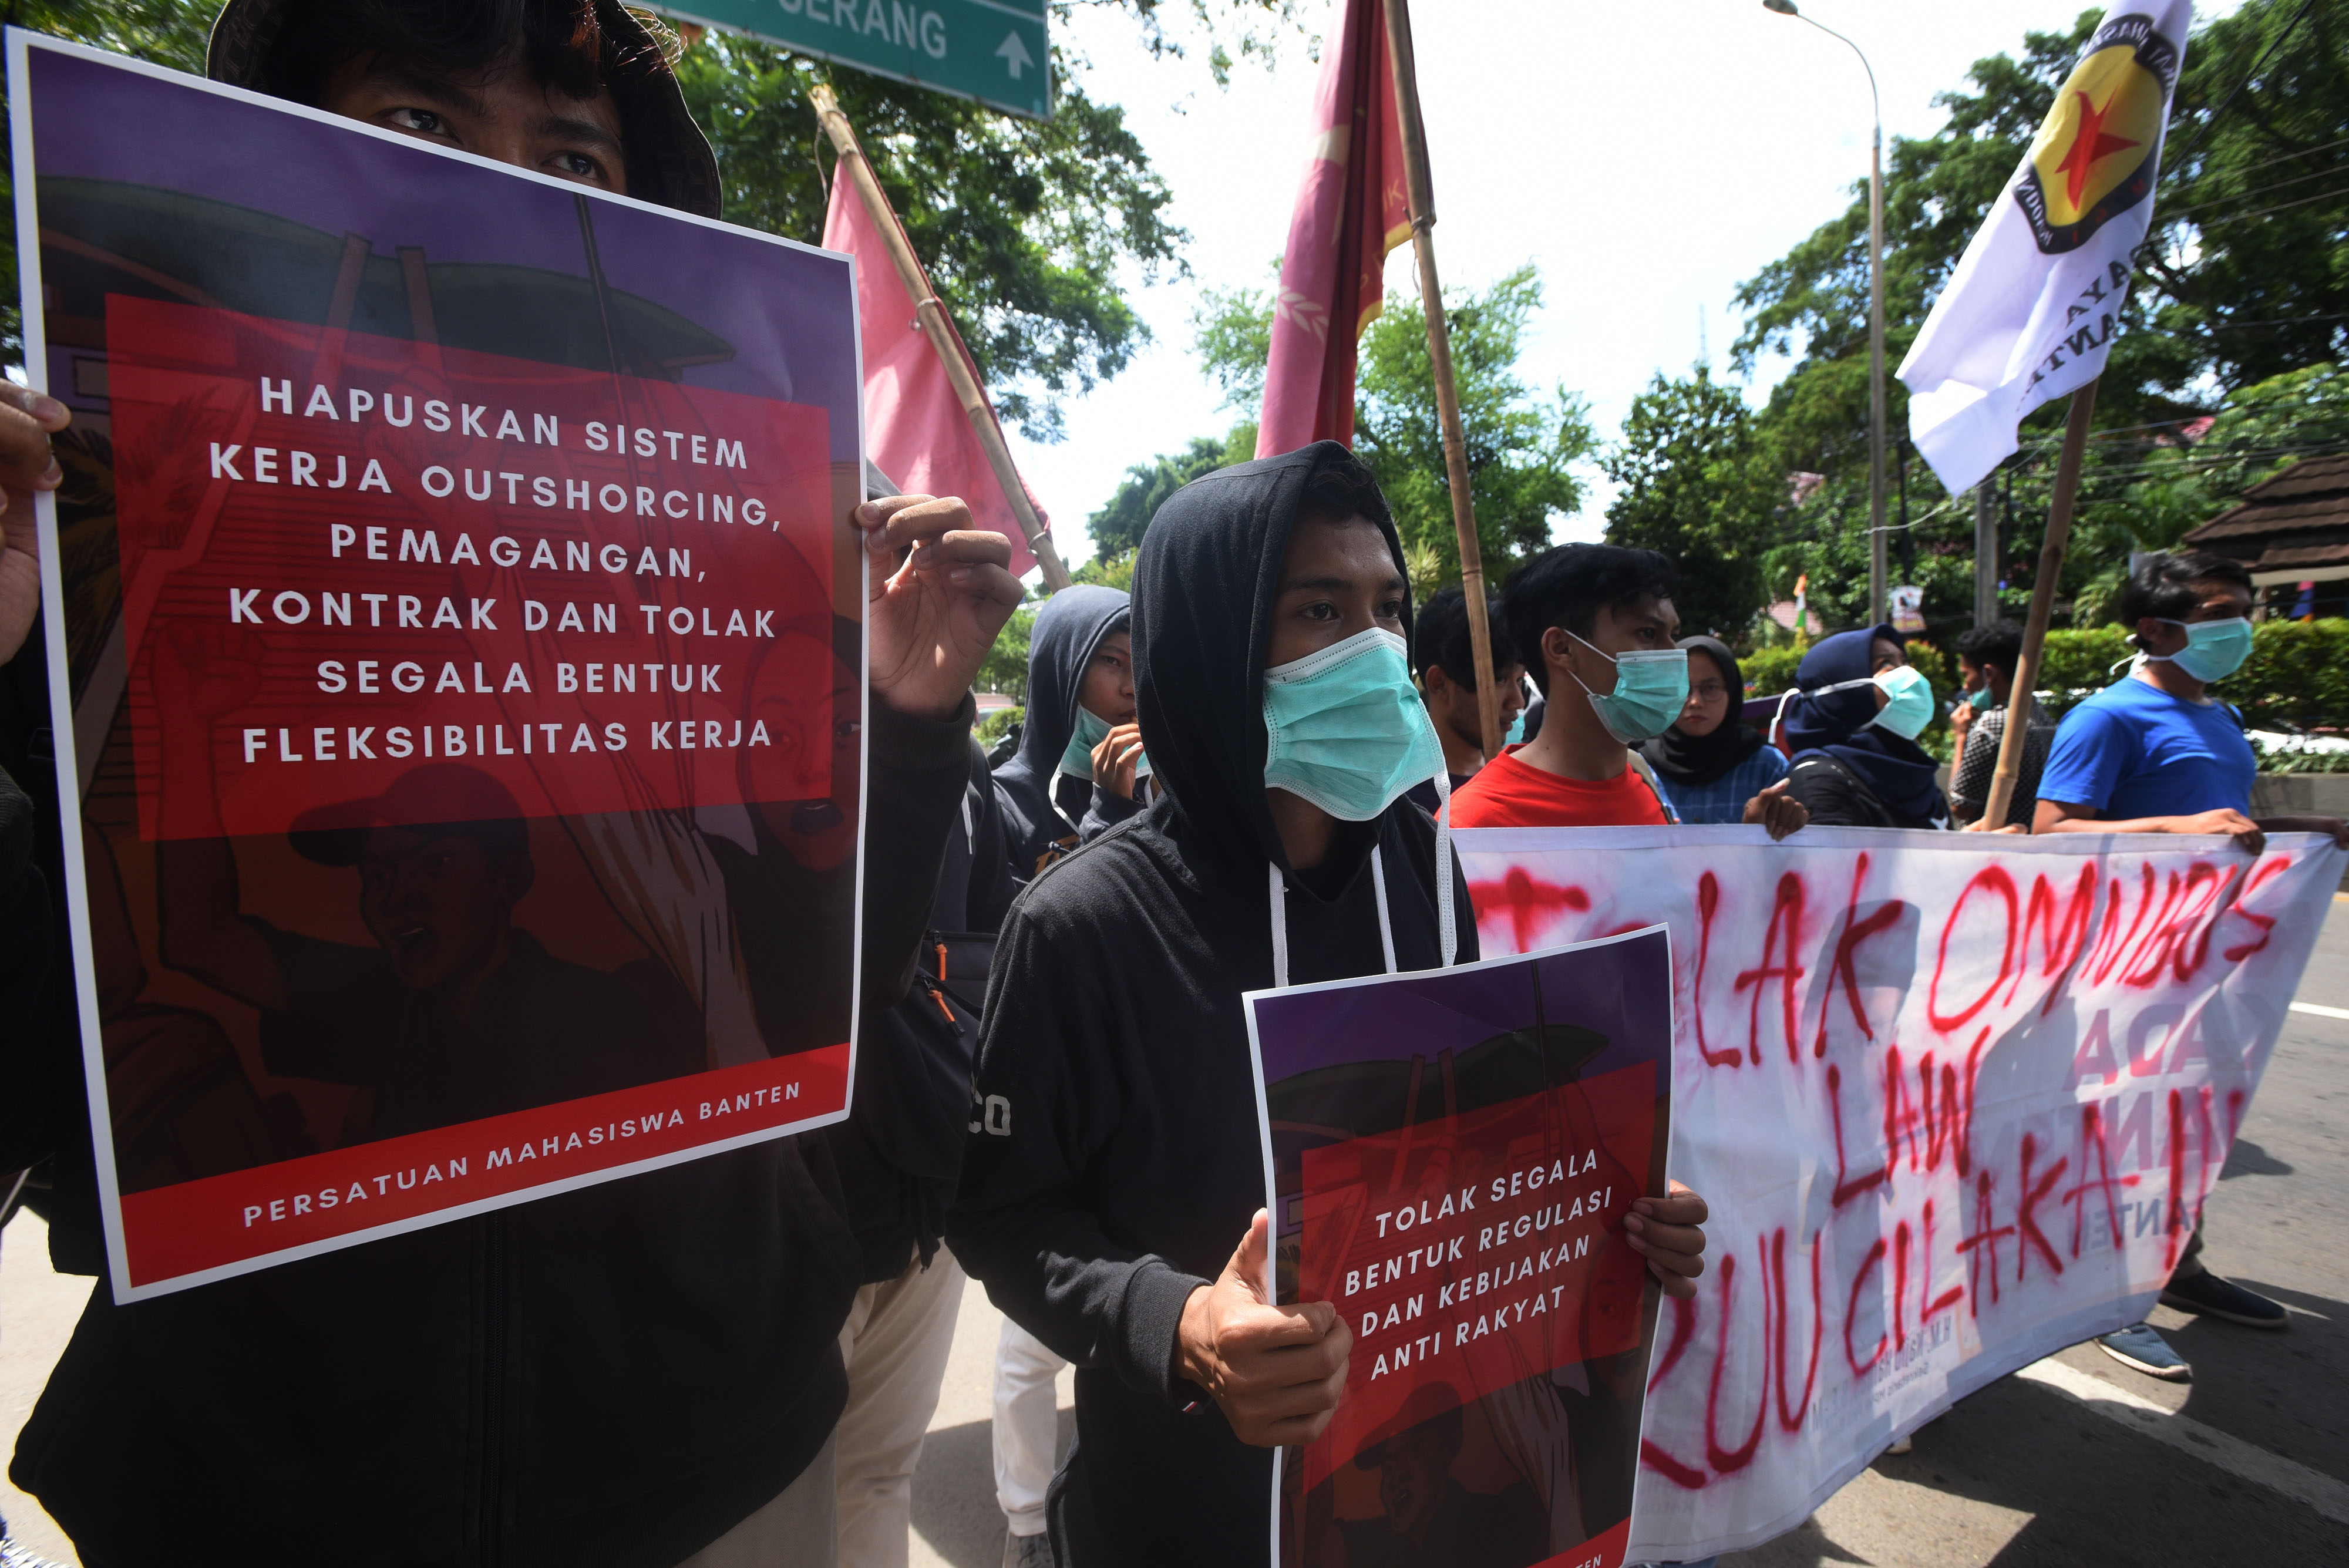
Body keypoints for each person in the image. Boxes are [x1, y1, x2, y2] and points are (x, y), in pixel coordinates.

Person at [1, 6, 1023, 1564]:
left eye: (567, 157)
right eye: (414, 128)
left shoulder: (728, 594)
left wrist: (910, 720)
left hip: (720, 1458)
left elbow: (810, 1015)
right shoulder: (97, 547)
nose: (495, 191)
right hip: (257, 1487)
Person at [947, 445, 1711, 1567]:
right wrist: (1179, 1326)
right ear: (1215, 636)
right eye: (1318, 609)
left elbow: (1459, 1128)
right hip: (1184, 1509)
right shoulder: (1085, 922)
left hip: (1419, 1491)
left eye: (1387, 608)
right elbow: (1005, 1215)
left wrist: (1602, 1198)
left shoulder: (1423, 865)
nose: (1375, 650)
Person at [2033, 550, 2349, 1381]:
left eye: (2243, 607)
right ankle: (2103, 1300)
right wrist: (2179, 832)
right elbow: (2052, 831)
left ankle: (2181, 1266)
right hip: (2127, 969)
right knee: (2121, 1129)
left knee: (2188, 1125)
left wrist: (2298, 833)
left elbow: (2225, 821)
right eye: (2220, 611)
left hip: (2212, 962)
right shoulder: (2107, 718)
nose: (2239, 626)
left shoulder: (2221, 712)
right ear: (2156, 627)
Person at [1447, 543, 1805, 839]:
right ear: (1562, 648)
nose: (1673, 656)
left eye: (1673, 635)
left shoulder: (1646, 784)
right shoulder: (1474, 826)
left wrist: (1754, 845)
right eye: (1648, 634)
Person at [991, 584, 1146, 884]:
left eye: (1142, 662)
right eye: (1112, 661)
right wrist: (1109, 815)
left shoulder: (1160, 785)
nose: (1133, 686)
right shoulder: (1003, 807)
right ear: (1060, 670)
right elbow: (1029, 929)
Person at [1775, 625, 1951, 830]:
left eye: (1904, 662)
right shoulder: (1819, 781)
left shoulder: (1915, 774)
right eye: (1885, 663)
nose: (1908, 673)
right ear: (1841, 693)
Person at [1405, 582, 1530, 813]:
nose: (1518, 702)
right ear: (1440, 683)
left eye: (1520, 680)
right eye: (1500, 679)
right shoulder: (1399, 802)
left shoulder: (1524, 787)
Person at [1638, 636, 1788, 826]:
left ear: (1732, 693)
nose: (1695, 702)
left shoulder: (1766, 765)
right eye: (1682, 688)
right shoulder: (1640, 767)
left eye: (1710, 688)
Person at [1946, 620, 2056, 829]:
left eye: (1967, 674)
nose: (1965, 686)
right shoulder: (2046, 719)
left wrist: (1961, 735)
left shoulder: (1994, 724)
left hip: (1995, 846)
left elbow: (1960, 806)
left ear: (1990, 674)